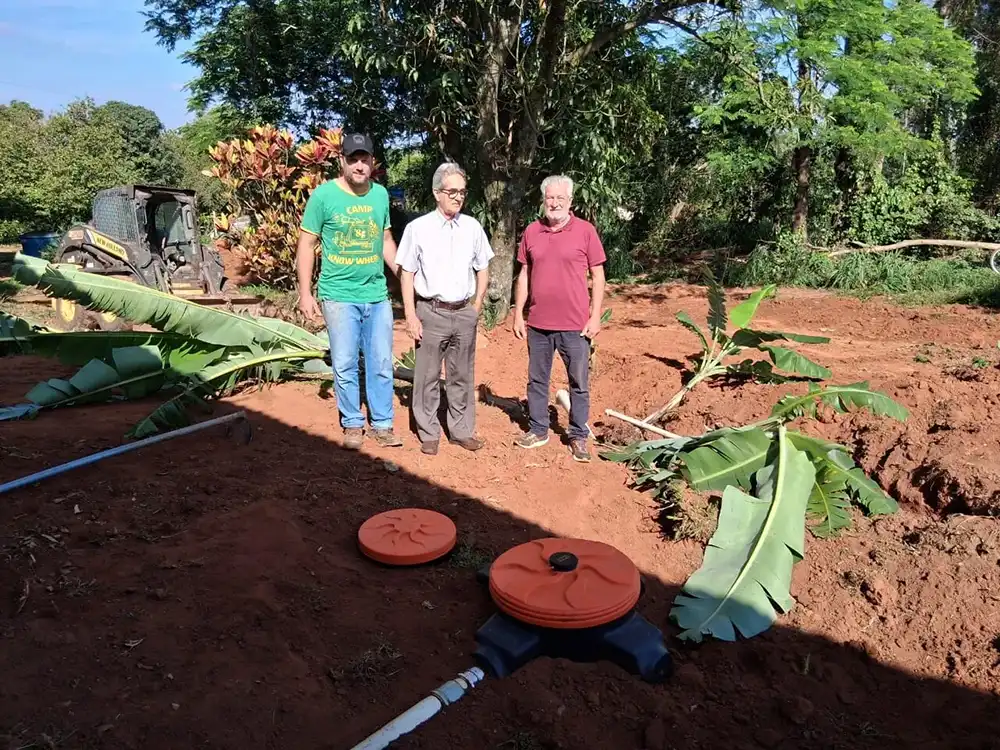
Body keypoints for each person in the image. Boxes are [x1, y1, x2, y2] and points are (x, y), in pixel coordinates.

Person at [296, 132, 403, 450]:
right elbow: (307, 244)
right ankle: (353, 423)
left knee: (382, 361)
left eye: (364, 159)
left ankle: (382, 424)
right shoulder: (323, 196)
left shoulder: (380, 195)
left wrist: (407, 277)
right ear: (341, 160)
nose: (359, 165)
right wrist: (305, 293)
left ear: (372, 162)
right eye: (353, 158)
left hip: (376, 294)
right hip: (338, 294)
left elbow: (386, 242)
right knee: (344, 362)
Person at [397, 161, 494, 455]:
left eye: (462, 192)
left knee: (462, 375)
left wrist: (476, 304)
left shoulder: (472, 227)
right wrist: (411, 314)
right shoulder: (418, 228)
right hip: (431, 311)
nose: (457, 197)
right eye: (451, 191)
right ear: (437, 193)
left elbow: (483, 267)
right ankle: (428, 432)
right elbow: (407, 273)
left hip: (464, 311)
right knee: (426, 376)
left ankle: (461, 431)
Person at [512, 174, 606, 463]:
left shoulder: (585, 231)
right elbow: (524, 274)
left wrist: (596, 316)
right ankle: (539, 429)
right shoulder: (532, 232)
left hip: (575, 326)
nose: (554, 203)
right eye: (549, 198)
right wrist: (518, 312)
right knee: (536, 380)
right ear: (543, 201)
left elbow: (598, 275)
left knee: (578, 382)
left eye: (559, 199)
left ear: (570, 201)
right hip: (539, 323)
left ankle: (578, 435)